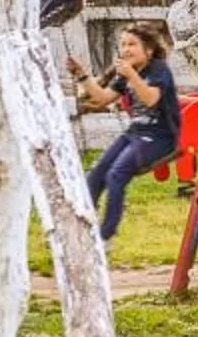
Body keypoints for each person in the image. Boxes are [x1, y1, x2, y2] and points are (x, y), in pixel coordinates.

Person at [71, 21, 181, 243]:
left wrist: (131, 75)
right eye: (122, 44)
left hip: (160, 137)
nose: (126, 49)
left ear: (148, 50)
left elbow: (151, 99)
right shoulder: (127, 74)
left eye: (132, 44)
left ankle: (105, 237)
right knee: (95, 175)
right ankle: (84, 230)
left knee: (116, 175)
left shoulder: (159, 69)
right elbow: (102, 98)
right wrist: (82, 76)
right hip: (135, 133)